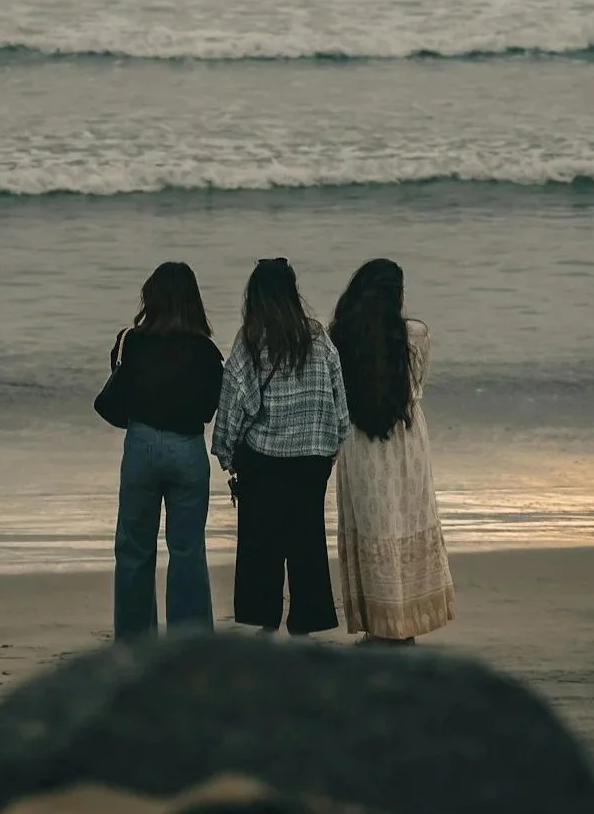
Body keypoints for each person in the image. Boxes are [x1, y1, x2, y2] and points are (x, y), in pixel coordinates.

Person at [211, 257, 350, 636]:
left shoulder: (251, 339)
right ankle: (306, 620)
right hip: (312, 459)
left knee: (261, 543)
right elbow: (338, 393)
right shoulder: (318, 337)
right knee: (307, 539)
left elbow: (234, 399)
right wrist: (338, 439)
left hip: (264, 459)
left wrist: (225, 452)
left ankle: (265, 620)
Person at [329, 258, 455, 644]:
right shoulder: (414, 335)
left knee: (371, 527)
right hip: (405, 438)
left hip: (359, 443)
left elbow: (338, 394)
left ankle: (376, 622)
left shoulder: (340, 335)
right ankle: (405, 621)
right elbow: (416, 387)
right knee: (405, 521)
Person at [101, 262, 224, 639]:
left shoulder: (131, 341)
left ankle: (135, 642)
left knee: (134, 548)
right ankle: (190, 644)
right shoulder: (206, 350)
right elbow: (208, 409)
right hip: (187, 449)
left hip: (141, 446)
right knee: (187, 550)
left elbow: (120, 393)